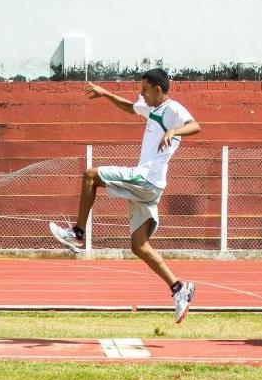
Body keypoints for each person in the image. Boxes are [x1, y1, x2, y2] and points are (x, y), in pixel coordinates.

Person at [48, 69, 201, 323]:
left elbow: (196, 126)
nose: (141, 94)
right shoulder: (150, 108)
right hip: (150, 187)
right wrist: (105, 93)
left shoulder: (173, 109)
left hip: (146, 178)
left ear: (158, 90)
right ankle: (179, 289)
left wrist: (174, 132)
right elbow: (131, 107)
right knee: (138, 245)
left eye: (145, 90)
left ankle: (77, 234)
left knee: (90, 175)